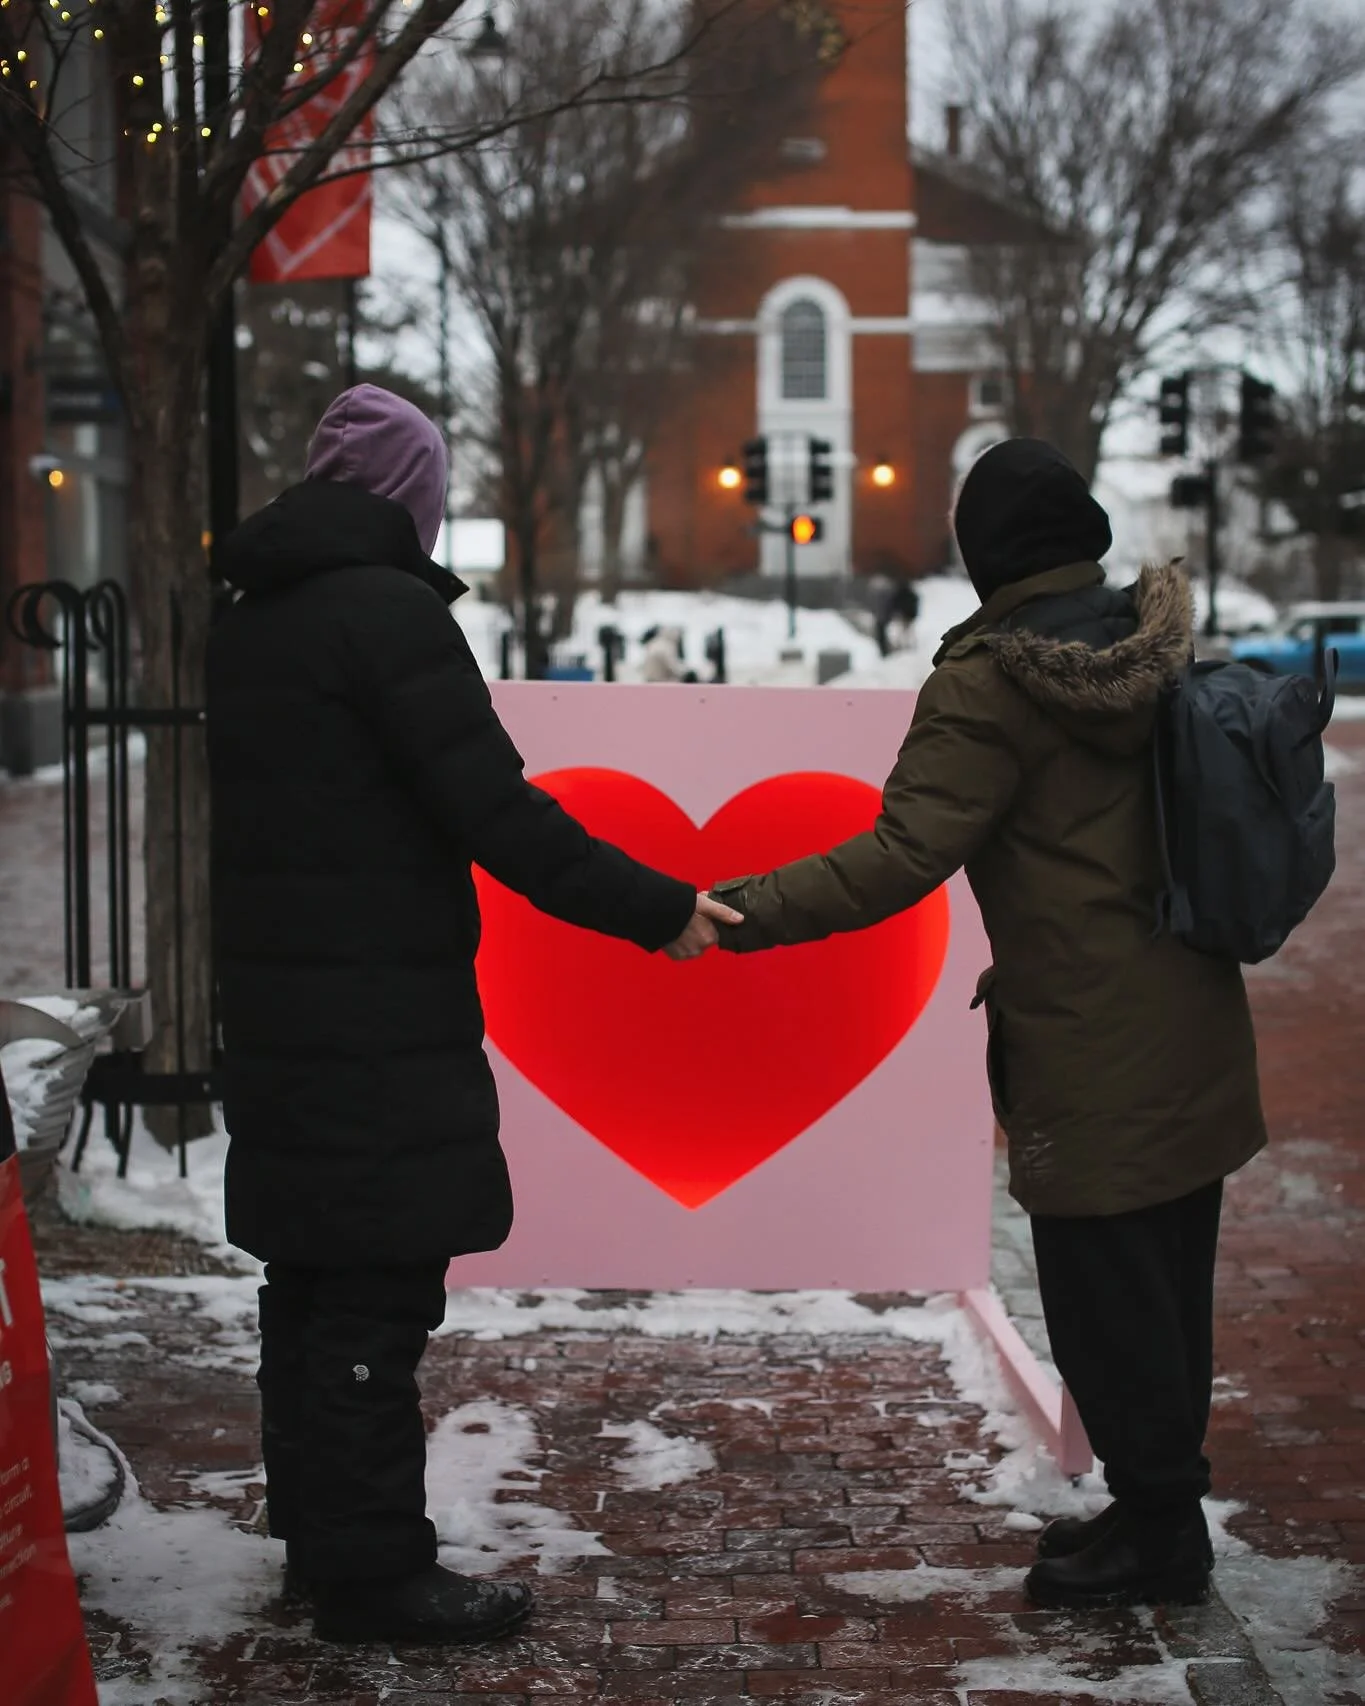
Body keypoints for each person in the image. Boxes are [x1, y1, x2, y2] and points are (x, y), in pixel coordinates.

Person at [207, 384, 738, 1646]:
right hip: (374, 1006)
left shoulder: (250, 619)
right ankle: (375, 1574)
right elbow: (499, 814)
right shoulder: (385, 616)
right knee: (376, 1296)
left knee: (313, 1279)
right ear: (412, 498)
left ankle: (321, 1538)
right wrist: (656, 905)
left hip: (288, 1004)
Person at [710, 438, 1266, 1611]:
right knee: (1165, 1284)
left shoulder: (990, 680)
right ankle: (1160, 1507)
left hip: (1083, 1036)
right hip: (1195, 1019)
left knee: (1102, 1295)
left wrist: (735, 909)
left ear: (984, 559)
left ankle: (1162, 1530)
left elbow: (902, 853)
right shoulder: (1153, 644)